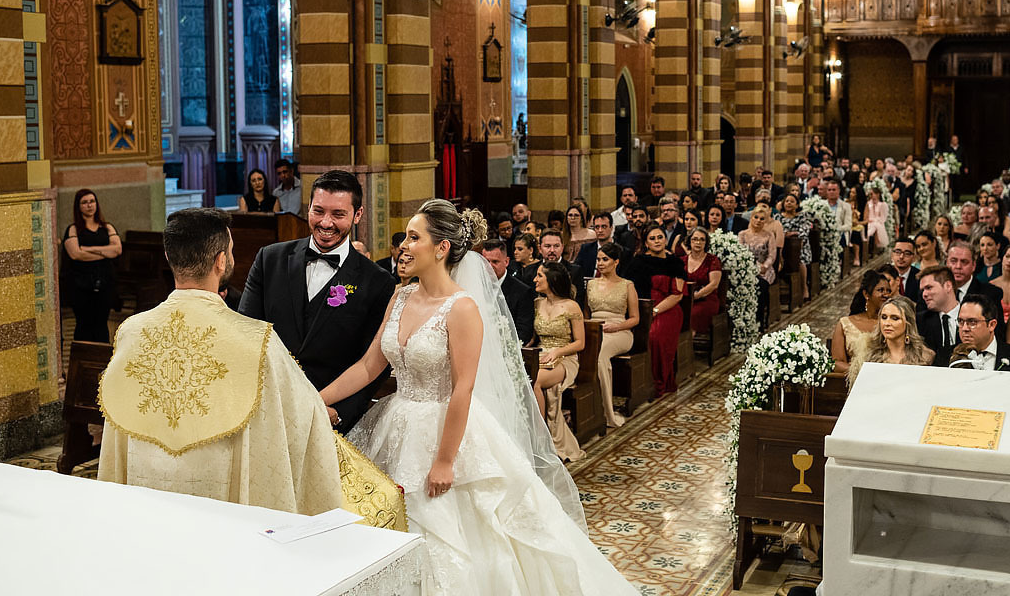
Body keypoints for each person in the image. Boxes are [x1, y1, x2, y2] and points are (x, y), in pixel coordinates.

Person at [322, 200, 638, 595]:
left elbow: (463, 388)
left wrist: (444, 460)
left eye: (414, 237)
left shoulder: (462, 308)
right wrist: (318, 397)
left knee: (451, 532)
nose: (403, 245)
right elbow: (369, 366)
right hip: (397, 422)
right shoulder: (400, 298)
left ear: (440, 249)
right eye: (405, 236)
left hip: (446, 431)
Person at [98, 209, 400, 520]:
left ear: (168, 256)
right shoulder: (257, 341)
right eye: (229, 251)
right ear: (220, 261)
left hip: (148, 493)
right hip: (220, 500)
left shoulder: (131, 333)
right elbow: (305, 419)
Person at [238, 170, 393, 429]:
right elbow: (246, 334)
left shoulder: (377, 282)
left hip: (329, 419)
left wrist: (340, 412)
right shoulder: (270, 259)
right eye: (318, 211)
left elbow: (374, 365)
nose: (326, 223)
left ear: (358, 215)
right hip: (267, 412)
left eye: (338, 214)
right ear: (307, 208)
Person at [530, 261, 587, 462]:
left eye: (539, 276)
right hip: (541, 354)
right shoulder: (538, 303)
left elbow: (580, 343)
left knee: (535, 381)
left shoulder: (571, 306)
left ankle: (541, 437)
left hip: (566, 358)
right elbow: (534, 337)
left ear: (552, 280)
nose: (534, 279)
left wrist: (557, 351)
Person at [625, 225, 686, 397]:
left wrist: (655, 310)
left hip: (668, 308)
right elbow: (627, 288)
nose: (657, 241)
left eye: (660, 237)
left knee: (654, 335)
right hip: (641, 308)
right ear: (646, 242)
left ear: (665, 240)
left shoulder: (675, 262)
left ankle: (658, 382)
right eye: (652, 238)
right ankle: (638, 384)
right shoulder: (638, 261)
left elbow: (677, 295)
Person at [587, 242, 639, 429]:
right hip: (594, 329)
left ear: (616, 262)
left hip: (620, 332)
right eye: (598, 259)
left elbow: (635, 318)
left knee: (599, 354)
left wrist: (616, 327)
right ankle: (587, 408)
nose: (600, 263)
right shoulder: (591, 284)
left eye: (605, 260)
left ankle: (607, 412)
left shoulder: (627, 285)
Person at [62, 188, 122, 343]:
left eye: (92, 201)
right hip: (80, 285)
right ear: (78, 206)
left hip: (105, 282)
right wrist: (104, 252)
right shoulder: (73, 229)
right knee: (84, 324)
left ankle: (100, 361)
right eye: (84, 202)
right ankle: (81, 362)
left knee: (101, 323)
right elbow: (76, 254)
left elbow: (117, 250)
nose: (89, 205)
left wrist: (89, 249)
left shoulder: (107, 227)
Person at [847, 296, 934, 386]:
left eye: (895, 318)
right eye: (884, 317)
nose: (887, 323)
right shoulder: (867, 354)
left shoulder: (924, 356)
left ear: (908, 322)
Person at [935, 294, 1010, 372]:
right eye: (961, 322)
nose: (964, 328)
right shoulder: (944, 356)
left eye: (972, 322)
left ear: (991, 325)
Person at [832, 271, 892, 374]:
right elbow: (837, 363)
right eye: (880, 290)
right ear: (866, 294)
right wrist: (861, 373)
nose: (886, 295)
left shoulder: (892, 324)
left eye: (888, 291)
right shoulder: (845, 323)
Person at [482, 239, 535, 346]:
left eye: (495, 262)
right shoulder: (475, 285)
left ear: (506, 262)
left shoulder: (522, 291)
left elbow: (524, 332)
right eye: (486, 262)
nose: (490, 266)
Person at [740, 205, 779, 329]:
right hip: (747, 268)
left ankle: (761, 319)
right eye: (756, 217)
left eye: (762, 219)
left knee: (762, 285)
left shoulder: (769, 235)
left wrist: (764, 266)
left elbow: (772, 255)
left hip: (765, 269)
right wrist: (754, 267)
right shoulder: (742, 234)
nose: (758, 221)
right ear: (751, 218)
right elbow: (741, 254)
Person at [681, 227, 723, 335]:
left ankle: (688, 345)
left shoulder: (712, 260)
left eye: (702, 240)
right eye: (694, 239)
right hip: (685, 299)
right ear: (689, 241)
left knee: (693, 314)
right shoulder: (682, 261)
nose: (698, 242)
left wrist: (696, 296)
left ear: (706, 242)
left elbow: (714, 284)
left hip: (706, 299)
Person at [539, 229, 587, 309]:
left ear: (562, 247)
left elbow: (578, 302)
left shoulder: (575, 271)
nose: (552, 250)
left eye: (556, 246)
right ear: (540, 249)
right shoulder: (530, 271)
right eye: (547, 246)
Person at [863, 186, 888, 250]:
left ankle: (875, 247)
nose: (871, 196)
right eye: (870, 194)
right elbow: (865, 215)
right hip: (869, 221)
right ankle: (867, 246)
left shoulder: (882, 204)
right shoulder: (868, 203)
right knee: (870, 227)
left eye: (872, 194)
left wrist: (875, 220)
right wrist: (868, 220)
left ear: (878, 194)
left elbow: (883, 217)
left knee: (875, 227)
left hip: (878, 222)